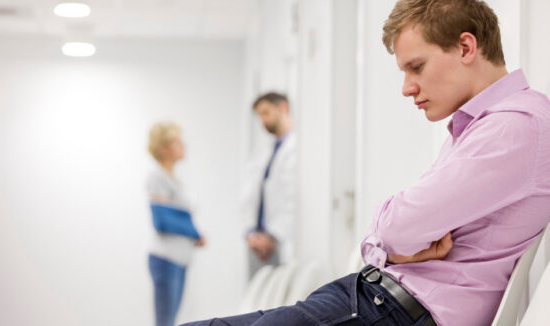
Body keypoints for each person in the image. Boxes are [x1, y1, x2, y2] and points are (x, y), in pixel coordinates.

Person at [181, 0, 550, 325]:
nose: (406, 87)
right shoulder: (477, 126)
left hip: (397, 310)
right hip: (375, 299)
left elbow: (396, 228)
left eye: (416, 67)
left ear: (466, 46)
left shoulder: (515, 126)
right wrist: (389, 246)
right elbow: (390, 236)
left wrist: (390, 241)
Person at [146, 122, 206, 326]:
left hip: (180, 259)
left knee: (171, 320)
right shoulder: (157, 177)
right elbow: (161, 220)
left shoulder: (175, 180)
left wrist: (193, 233)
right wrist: (194, 233)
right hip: (166, 258)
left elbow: (177, 215)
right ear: (163, 148)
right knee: (165, 322)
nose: (183, 146)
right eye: (177, 142)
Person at [245, 92, 297, 278]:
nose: (262, 120)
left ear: (283, 108)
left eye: (266, 113)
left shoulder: (296, 148)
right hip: (257, 241)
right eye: (259, 115)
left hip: (278, 242)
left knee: (277, 302)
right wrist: (250, 231)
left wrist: (273, 236)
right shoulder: (266, 151)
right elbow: (251, 195)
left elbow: (292, 199)